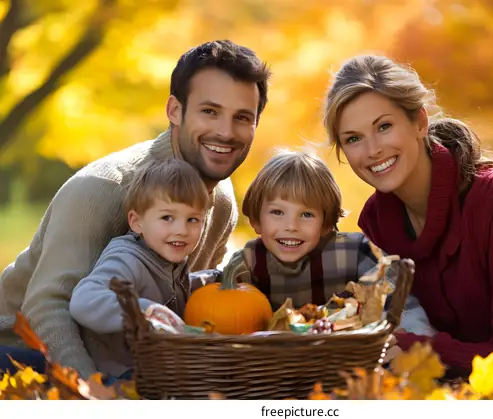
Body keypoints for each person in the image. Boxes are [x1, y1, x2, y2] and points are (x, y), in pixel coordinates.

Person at [0, 40, 272, 378]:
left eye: (243, 117)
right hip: (23, 355)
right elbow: (46, 310)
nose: (225, 131)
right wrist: (98, 399)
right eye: (209, 111)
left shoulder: (222, 201)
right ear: (174, 110)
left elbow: (195, 304)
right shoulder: (103, 188)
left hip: (126, 363)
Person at [322, 54, 493, 376]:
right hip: (468, 379)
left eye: (384, 126)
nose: (372, 150)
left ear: (419, 122)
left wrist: (417, 349)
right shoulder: (376, 220)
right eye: (353, 139)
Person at [220, 149, 436, 337]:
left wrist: (415, 342)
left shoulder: (353, 253)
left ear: (326, 224)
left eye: (306, 215)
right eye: (277, 212)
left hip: (347, 360)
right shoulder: (249, 263)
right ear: (257, 221)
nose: (291, 226)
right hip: (274, 366)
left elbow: (399, 302)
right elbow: (220, 308)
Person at [69, 158, 209, 382]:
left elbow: (171, 290)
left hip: (152, 369)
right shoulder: (127, 258)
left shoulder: (169, 258)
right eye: (167, 217)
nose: (181, 230)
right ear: (136, 222)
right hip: (115, 374)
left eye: (193, 219)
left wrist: (210, 282)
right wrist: (143, 311)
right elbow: (84, 299)